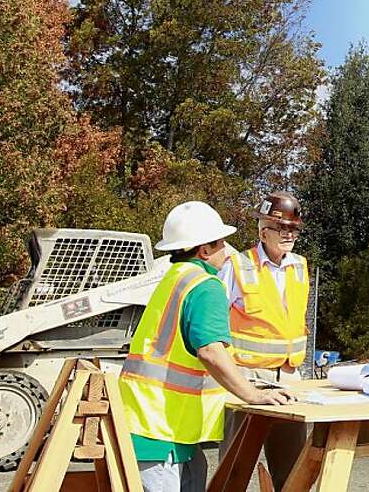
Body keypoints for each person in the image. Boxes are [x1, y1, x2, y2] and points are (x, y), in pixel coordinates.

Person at [120, 201, 293, 492]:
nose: (227, 251)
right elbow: (211, 351)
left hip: (155, 423)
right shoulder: (206, 285)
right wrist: (252, 395)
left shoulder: (175, 278)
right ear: (204, 250)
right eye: (222, 243)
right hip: (161, 430)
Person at [218, 192, 311, 491]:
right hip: (247, 379)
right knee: (234, 469)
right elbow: (216, 322)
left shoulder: (300, 266)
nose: (289, 235)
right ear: (263, 231)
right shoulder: (237, 265)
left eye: (293, 229)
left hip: (288, 379)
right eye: (282, 228)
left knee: (293, 471)